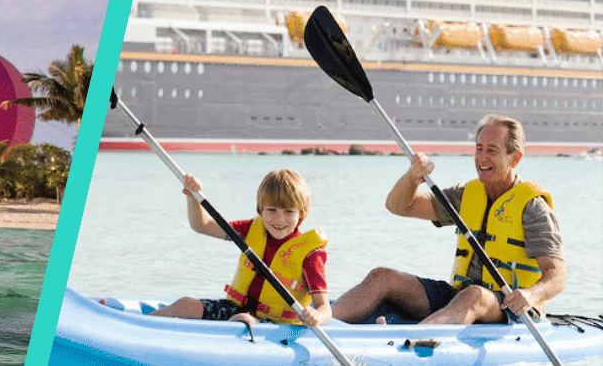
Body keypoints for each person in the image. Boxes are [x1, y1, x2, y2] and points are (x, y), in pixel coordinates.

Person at [331, 114, 566, 325]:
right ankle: (323, 323)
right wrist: (412, 177)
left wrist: (532, 294)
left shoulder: (533, 207)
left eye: (492, 150)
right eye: (479, 149)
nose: (482, 158)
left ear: (515, 159)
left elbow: (557, 275)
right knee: (382, 277)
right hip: (459, 296)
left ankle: (410, 342)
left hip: (512, 306)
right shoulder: (465, 195)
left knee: (473, 296)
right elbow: (398, 206)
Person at [142, 169, 331, 327]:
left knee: (243, 320)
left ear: (302, 213)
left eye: (289, 211)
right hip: (236, 308)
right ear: (261, 209)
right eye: (272, 210)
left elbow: (325, 309)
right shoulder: (251, 229)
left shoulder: (311, 255)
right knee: (186, 305)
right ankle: (139, 327)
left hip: (276, 326)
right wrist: (193, 197)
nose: (279, 219)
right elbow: (202, 225)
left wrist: (316, 316)